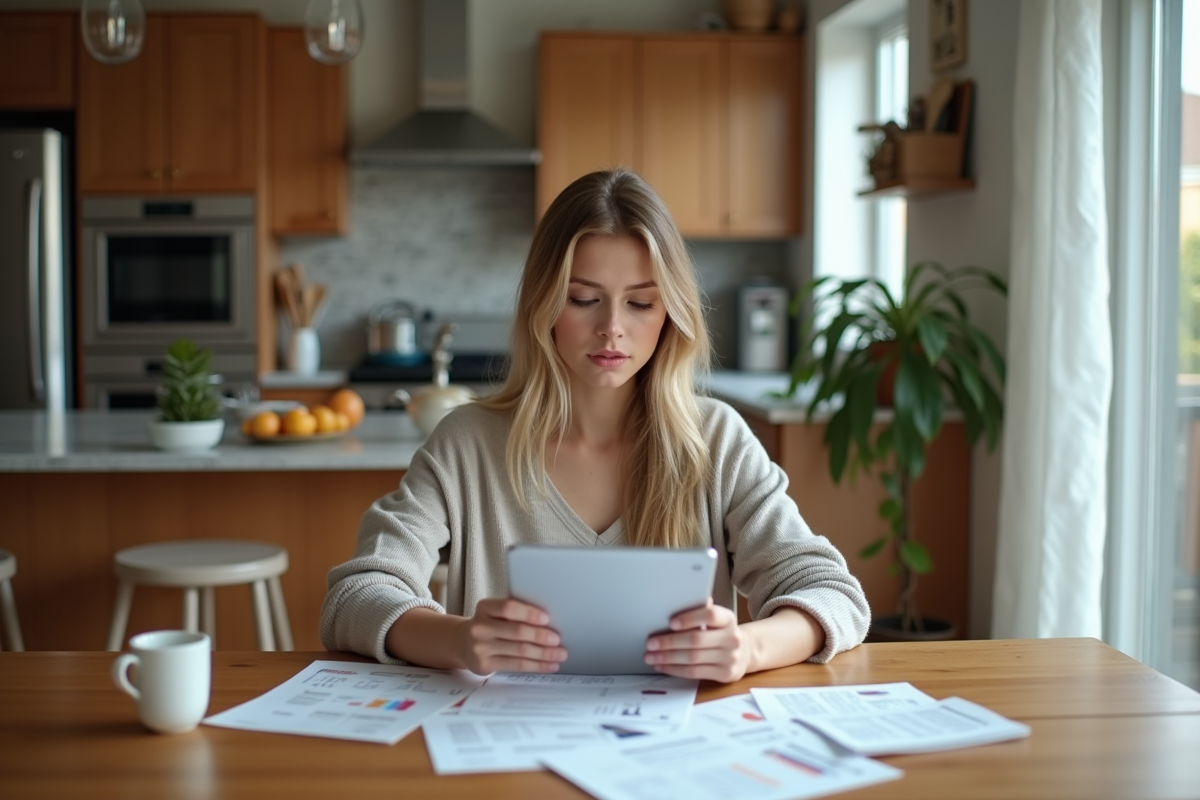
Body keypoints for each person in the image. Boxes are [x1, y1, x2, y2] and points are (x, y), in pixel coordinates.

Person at [320, 169, 869, 683]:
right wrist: (461, 640)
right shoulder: (467, 443)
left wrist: (747, 648)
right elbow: (358, 592)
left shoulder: (717, 440)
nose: (612, 329)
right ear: (544, 305)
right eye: (584, 300)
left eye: (640, 303)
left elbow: (830, 593)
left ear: (671, 313)